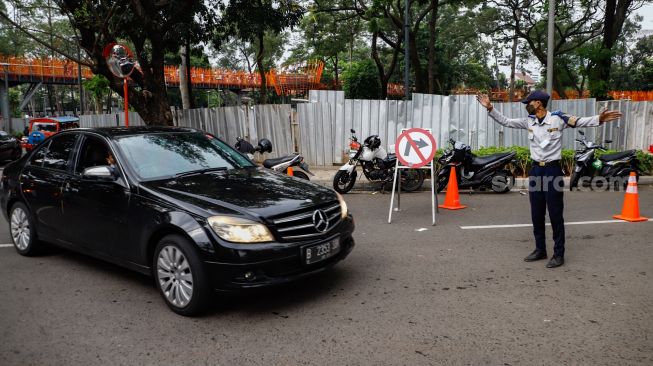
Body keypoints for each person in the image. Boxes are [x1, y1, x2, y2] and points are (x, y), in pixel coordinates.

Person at [476, 90, 622, 268]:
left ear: (538, 103)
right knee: (536, 213)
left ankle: (559, 253)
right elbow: (506, 121)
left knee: (555, 213)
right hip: (536, 170)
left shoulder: (558, 118)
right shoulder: (528, 121)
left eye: (528, 103)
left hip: (553, 171)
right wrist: (490, 108)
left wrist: (598, 119)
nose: (526, 106)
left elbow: (580, 121)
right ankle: (540, 249)